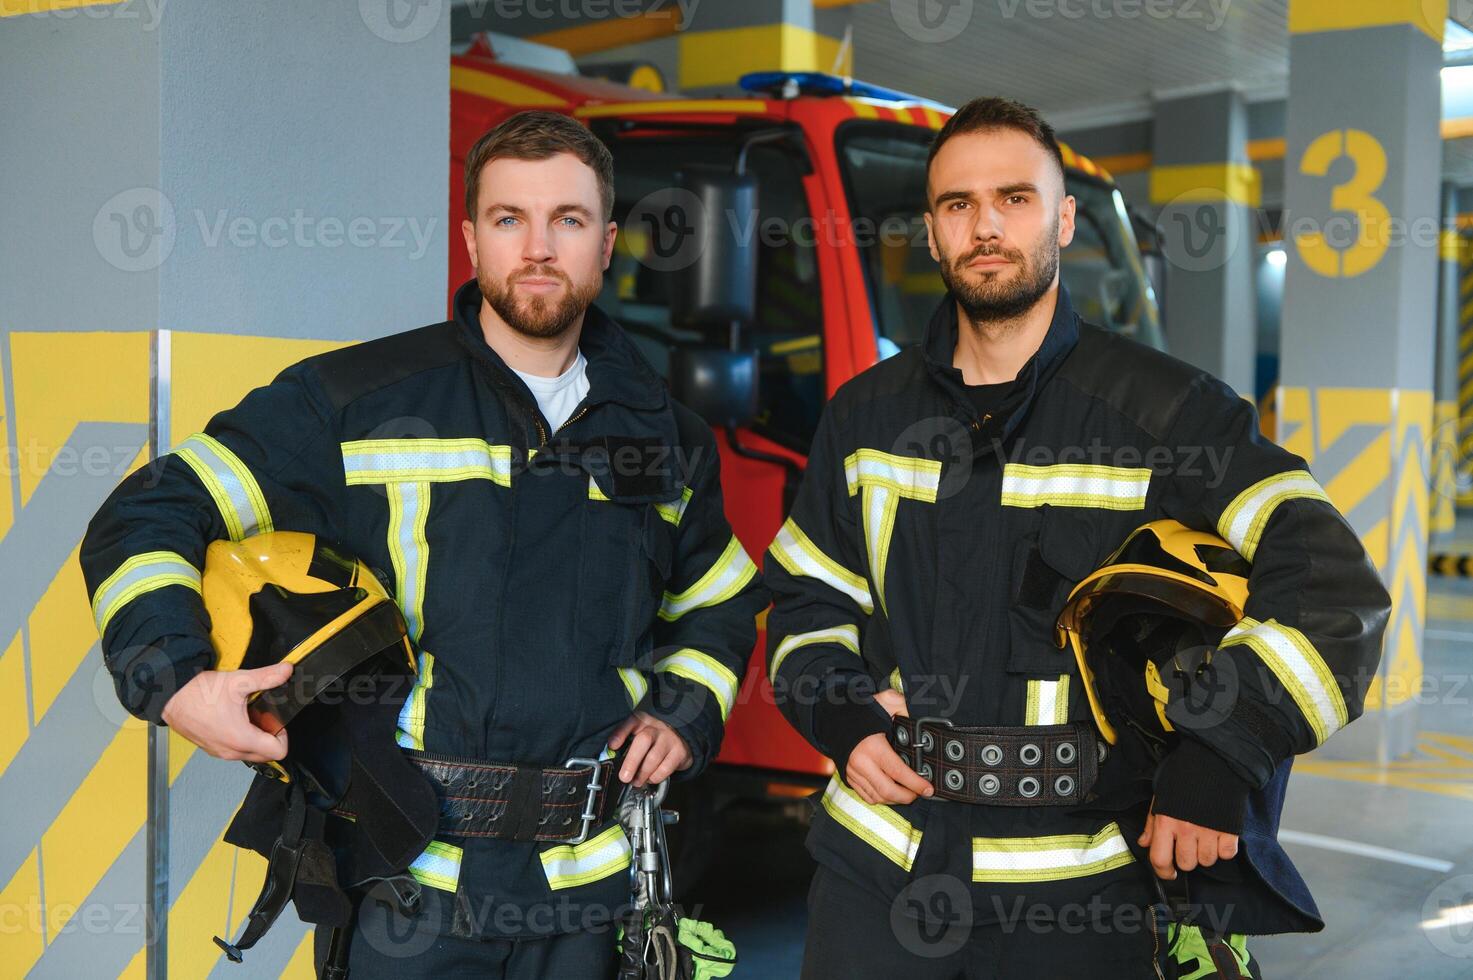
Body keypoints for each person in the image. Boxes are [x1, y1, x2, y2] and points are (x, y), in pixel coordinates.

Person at [80, 109, 767, 978]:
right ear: (471, 239)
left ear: (606, 244)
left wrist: (684, 709)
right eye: (509, 218)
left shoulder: (667, 436)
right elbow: (150, 510)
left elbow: (716, 601)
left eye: (569, 219)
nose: (539, 246)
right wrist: (174, 680)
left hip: (592, 898)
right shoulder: (355, 400)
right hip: (410, 888)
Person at [763, 96, 1391, 978]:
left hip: (1079, 895)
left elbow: (1334, 590)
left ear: (1062, 219)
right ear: (933, 234)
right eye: (957, 205)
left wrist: (1217, 754)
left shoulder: (1168, 412)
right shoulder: (864, 415)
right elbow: (804, 594)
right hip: (878, 874)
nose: (985, 225)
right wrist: (839, 713)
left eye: (1014, 199)